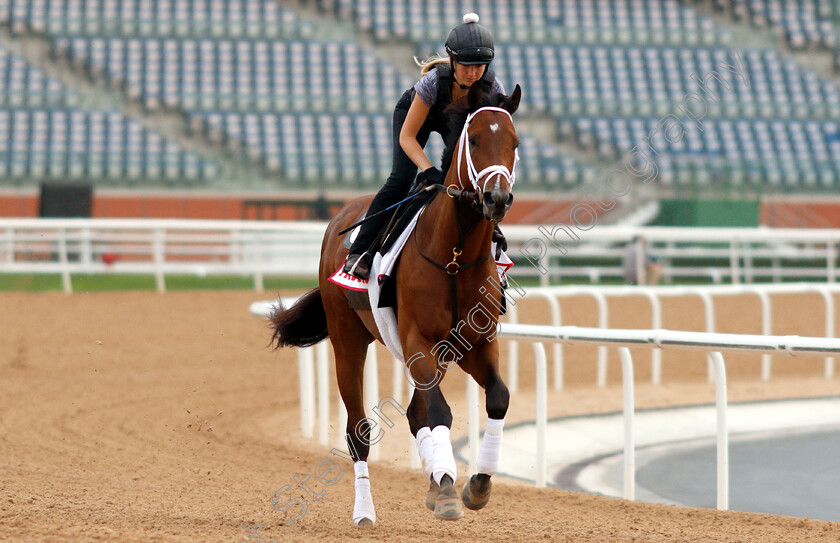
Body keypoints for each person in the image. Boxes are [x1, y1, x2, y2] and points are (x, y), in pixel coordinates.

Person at [343, 13, 507, 280]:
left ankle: (493, 248)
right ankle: (360, 252)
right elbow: (407, 137)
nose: (473, 73)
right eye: (466, 65)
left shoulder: (492, 89)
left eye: (480, 66)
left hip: (456, 122)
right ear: (452, 60)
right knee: (401, 179)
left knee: (474, 182)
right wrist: (428, 169)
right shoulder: (432, 83)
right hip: (416, 116)